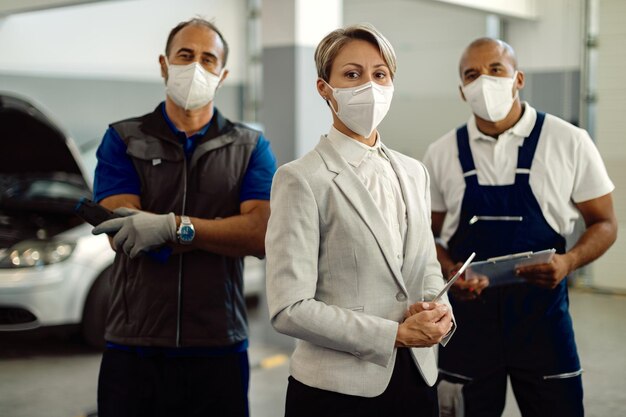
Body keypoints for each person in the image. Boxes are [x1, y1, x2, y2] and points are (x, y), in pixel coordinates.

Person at [265, 23, 455, 417]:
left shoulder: (414, 171)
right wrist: (393, 335)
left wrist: (441, 311)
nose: (369, 85)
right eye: (352, 74)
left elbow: (426, 267)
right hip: (336, 391)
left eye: (379, 74)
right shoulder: (301, 178)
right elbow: (289, 308)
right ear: (325, 89)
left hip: (418, 378)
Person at [91, 17, 277, 417]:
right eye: (185, 55)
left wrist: (171, 228)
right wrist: (219, 232)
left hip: (219, 343)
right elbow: (123, 233)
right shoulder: (123, 138)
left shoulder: (249, 147)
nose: (196, 67)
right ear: (164, 64)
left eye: (208, 59)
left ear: (223, 73)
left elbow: (260, 234)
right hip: (134, 342)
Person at [423, 37, 617, 417]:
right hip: (468, 327)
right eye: (471, 74)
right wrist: (450, 271)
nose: (484, 80)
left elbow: (606, 222)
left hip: (543, 325)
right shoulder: (441, 153)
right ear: (462, 91)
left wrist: (570, 262)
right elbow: (427, 236)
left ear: (518, 78)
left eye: (496, 69)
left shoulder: (569, 142)